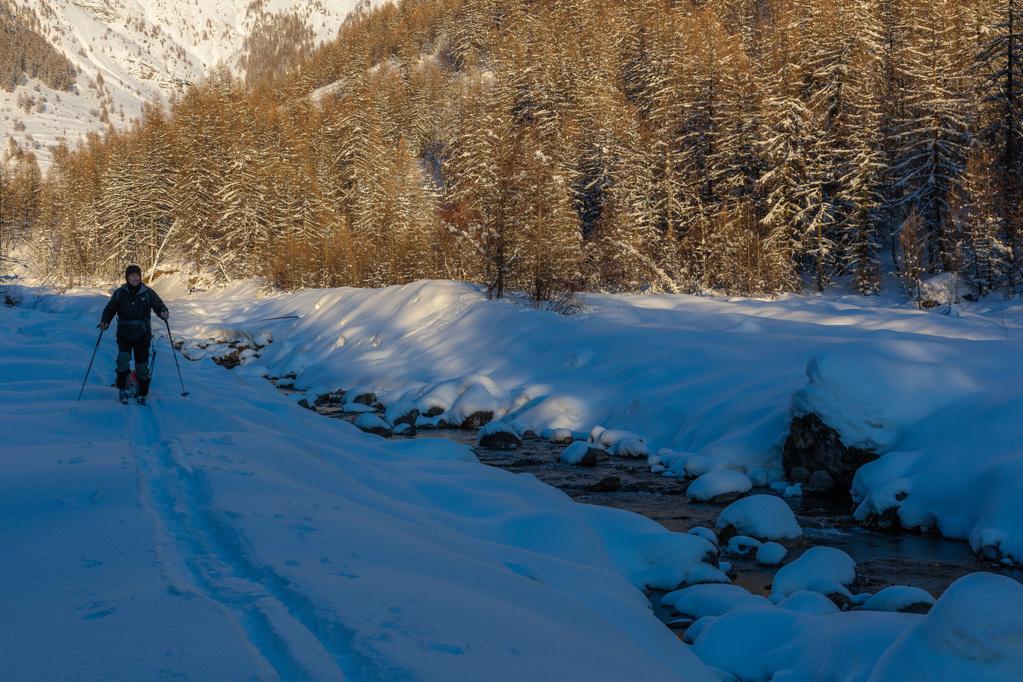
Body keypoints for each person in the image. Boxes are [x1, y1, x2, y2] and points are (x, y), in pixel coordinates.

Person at [99, 264, 169, 404]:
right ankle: (122, 388)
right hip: (124, 334)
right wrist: (105, 321)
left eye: (137, 275)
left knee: (141, 366)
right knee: (123, 360)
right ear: (127, 277)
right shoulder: (120, 293)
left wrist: (163, 312)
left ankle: (143, 392)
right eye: (132, 275)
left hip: (142, 335)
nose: (135, 277)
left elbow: (159, 305)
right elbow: (110, 309)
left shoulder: (147, 292)